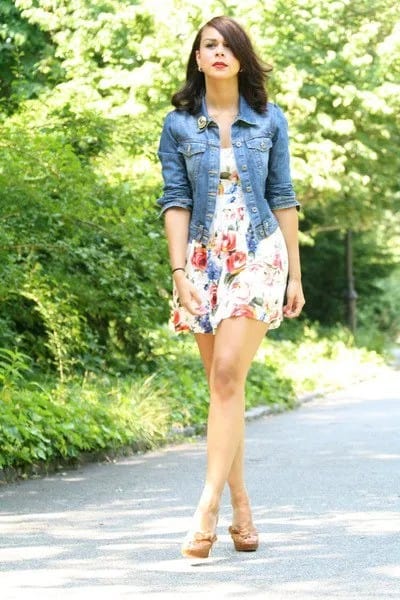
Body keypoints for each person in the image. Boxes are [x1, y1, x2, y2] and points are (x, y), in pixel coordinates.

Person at [157, 15, 305, 559]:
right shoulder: (178, 126)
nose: (219, 52)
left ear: (242, 58)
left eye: (229, 45)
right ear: (198, 59)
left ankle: (206, 508)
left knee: (225, 375)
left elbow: (283, 194)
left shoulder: (269, 120)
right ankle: (242, 503)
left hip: (258, 252)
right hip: (202, 259)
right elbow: (175, 201)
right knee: (226, 390)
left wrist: (294, 270)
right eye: (209, 45)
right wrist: (179, 274)